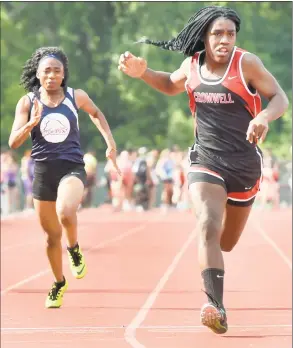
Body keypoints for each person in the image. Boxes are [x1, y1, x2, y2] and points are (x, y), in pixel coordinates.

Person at [118, 6, 289, 334]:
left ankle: (217, 275)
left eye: (230, 33)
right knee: (207, 224)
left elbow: (279, 98)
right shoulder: (191, 65)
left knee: (226, 243)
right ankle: (216, 306)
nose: (225, 40)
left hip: (244, 165)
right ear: (204, 37)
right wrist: (143, 72)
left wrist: (263, 117)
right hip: (206, 162)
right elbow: (170, 84)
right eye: (217, 34)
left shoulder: (247, 64)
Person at [9, 47, 121, 308]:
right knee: (50, 238)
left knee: (66, 212)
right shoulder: (27, 102)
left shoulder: (75, 96)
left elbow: (96, 113)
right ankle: (59, 282)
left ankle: (74, 249)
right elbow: (14, 142)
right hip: (43, 174)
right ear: (38, 73)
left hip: (71, 167)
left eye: (56, 71)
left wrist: (110, 143)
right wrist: (30, 124)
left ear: (63, 74)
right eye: (46, 71)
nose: (51, 75)